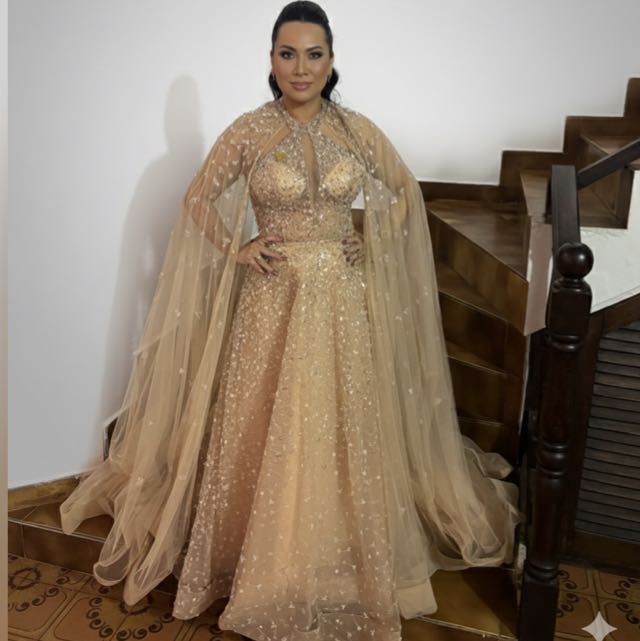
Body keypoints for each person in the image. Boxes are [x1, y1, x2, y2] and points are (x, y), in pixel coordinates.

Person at [60, 2, 520, 640]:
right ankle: (257, 560)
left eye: (313, 54)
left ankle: (333, 555)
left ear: (331, 62)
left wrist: (369, 236)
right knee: (263, 424)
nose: (300, 68)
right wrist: (237, 249)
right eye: (287, 53)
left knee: (335, 425)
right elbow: (199, 198)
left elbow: (404, 190)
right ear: (271, 60)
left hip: (339, 304)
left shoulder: (356, 130)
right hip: (271, 301)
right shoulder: (249, 131)